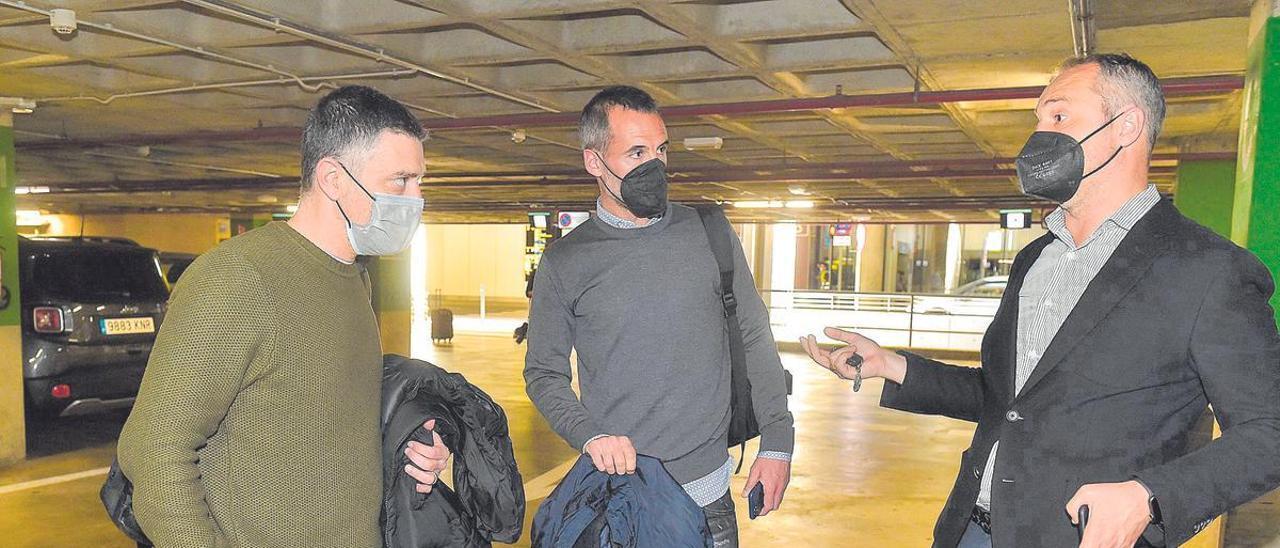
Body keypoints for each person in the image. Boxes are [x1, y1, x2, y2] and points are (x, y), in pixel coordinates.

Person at [802, 53, 1280, 548]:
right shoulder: (1035, 258)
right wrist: (892, 365)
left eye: (1058, 116)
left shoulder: (1208, 270)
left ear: (1126, 127)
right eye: (1037, 120)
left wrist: (1149, 495)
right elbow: (1009, 401)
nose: (1038, 136)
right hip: (971, 529)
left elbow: (1270, 433)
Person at [118, 86, 452, 548]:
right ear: (333, 178)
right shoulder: (238, 279)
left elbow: (325, 420)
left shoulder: (355, 278)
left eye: (419, 182)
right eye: (401, 180)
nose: (415, 199)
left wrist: (407, 449)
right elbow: (153, 450)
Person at [523, 86, 795, 548]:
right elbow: (543, 373)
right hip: (620, 503)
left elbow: (754, 337)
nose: (655, 165)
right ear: (594, 162)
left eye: (660, 149)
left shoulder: (708, 232)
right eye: (636, 152)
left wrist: (777, 443)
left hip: (708, 502)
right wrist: (590, 436)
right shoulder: (565, 262)